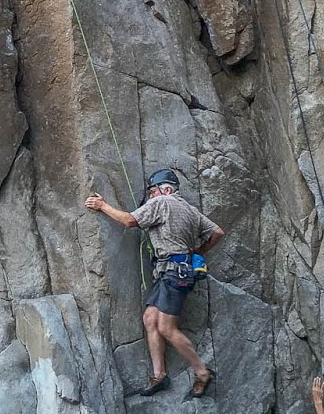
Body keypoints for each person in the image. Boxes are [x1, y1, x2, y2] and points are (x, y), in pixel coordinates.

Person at [85, 168, 224, 398]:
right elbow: (217, 232)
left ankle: (202, 372)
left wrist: (103, 206)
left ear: (167, 189)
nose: (150, 197)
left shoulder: (163, 203)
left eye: (153, 191)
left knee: (166, 328)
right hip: (174, 272)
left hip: (173, 273)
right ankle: (159, 375)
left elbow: (129, 221)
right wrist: (199, 250)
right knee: (150, 318)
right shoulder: (190, 210)